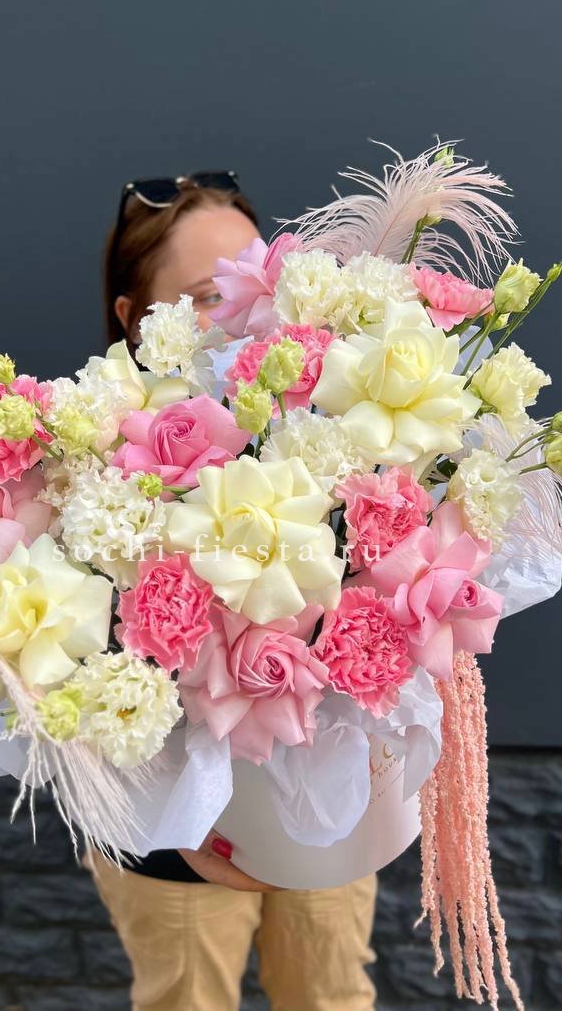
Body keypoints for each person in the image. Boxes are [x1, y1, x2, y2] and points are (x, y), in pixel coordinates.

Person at [90, 170, 378, 1011]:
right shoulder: (89, 466)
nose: (245, 312)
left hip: (318, 816)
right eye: (207, 296)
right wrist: (192, 824)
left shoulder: (340, 429)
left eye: (258, 282)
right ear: (133, 318)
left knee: (332, 999)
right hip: (174, 842)